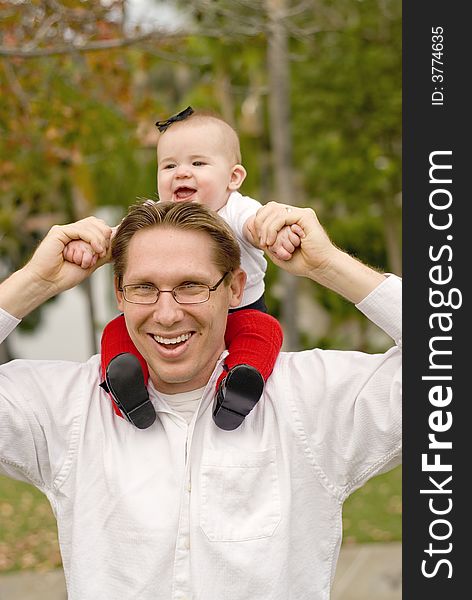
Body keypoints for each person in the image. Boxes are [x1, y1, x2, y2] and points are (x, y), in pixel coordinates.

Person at [0, 199, 401, 600]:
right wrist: (37, 281)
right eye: (143, 288)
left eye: (191, 286)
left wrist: (327, 264)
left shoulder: (310, 398)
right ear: (119, 295)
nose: (168, 313)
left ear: (235, 288)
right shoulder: (66, 408)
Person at [63, 107, 303, 431]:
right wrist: (86, 247)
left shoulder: (236, 209)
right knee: (116, 332)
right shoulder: (155, 214)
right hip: (173, 308)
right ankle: (126, 388)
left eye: (198, 163)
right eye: (169, 165)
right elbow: (111, 241)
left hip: (243, 308)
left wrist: (277, 232)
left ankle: (239, 385)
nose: (181, 173)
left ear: (233, 178)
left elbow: (256, 226)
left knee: (263, 332)